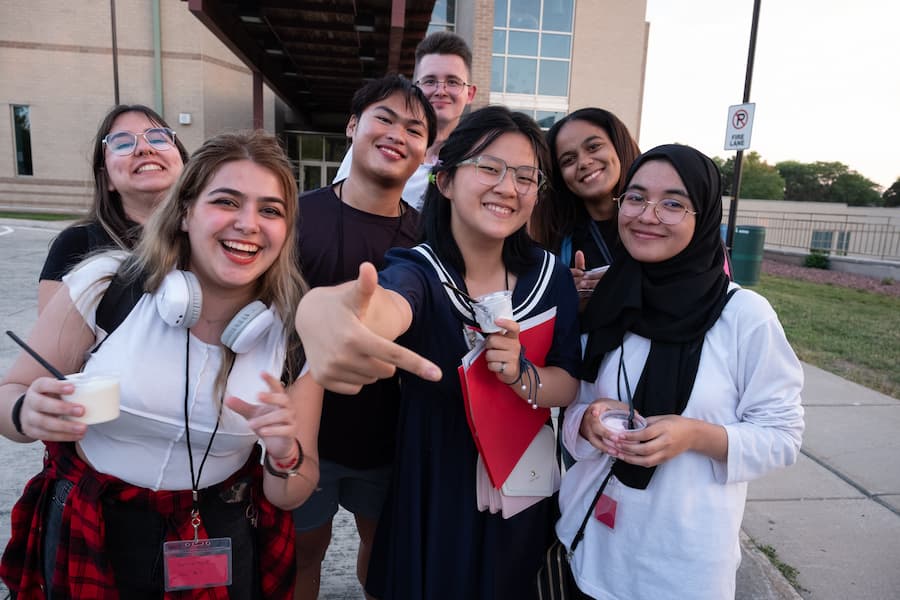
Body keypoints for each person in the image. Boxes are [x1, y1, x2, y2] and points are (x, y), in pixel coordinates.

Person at [0, 131, 321, 599]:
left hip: (220, 530)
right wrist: (24, 412)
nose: (248, 224)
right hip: (94, 526)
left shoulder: (297, 335)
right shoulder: (105, 285)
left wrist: (284, 456)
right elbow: (9, 395)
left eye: (270, 210)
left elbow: (292, 490)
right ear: (186, 211)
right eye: (227, 201)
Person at [295, 106, 582, 599]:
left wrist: (520, 375)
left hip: (521, 480)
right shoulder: (419, 268)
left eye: (526, 176)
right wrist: (328, 314)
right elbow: (389, 304)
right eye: (489, 168)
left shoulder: (550, 274)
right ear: (445, 181)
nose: (508, 188)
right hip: (435, 480)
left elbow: (567, 383)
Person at [556, 144, 805, 599]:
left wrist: (695, 436)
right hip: (594, 547)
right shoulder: (608, 300)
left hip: (683, 566)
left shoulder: (744, 316)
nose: (647, 215)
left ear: (704, 215)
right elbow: (576, 406)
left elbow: (783, 436)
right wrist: (587, 423)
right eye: (635, 198)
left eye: (673, 203)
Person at [292, 74, 436, 600]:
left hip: (389, 436)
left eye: (415, 129)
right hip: (306, 429)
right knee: (304, 550)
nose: (398, 133)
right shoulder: (296, 215)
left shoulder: (428, 238)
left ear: (425, 152)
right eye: (385, 117)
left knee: (383, 551)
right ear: (353, 126)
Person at [38, 104, 189, 312]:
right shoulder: (76, 244)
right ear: (107, 178)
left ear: (183, 162)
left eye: (157, 137)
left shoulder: (210, 235)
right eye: (123, 143)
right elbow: (51, 342)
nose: (145, 148)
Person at [333, 31, 477, 211]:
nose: (441, 90)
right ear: (415, 87)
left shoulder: (475, 162)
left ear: (470, 93)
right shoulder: (375, 148)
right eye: (430, 81)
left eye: (453, 82)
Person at [531, 108, 640, 298]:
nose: (583, 162)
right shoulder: (555, 242)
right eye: (568, 160)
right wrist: (565, 299)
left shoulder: (660, 222)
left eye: (593, 147)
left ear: (618, 144)